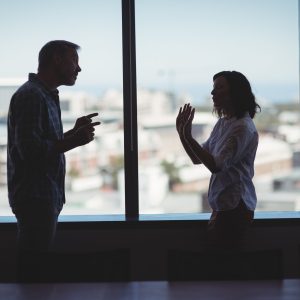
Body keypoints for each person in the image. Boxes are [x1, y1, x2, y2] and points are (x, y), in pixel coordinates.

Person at [7, 40, 100, 280]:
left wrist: (72, 133)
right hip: (35, 197)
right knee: (33, 272)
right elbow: (30, 152)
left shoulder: (44, 95)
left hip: (42, 196)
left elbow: (44, 143)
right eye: (74, 61)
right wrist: (74, 141)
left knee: (35, 267)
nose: (78, 69)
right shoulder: (31, 96)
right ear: (57, 60)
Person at [176, 70, 260, 249]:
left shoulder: (243, 127)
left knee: (224, 265)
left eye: (219, 88)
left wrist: (188, 137)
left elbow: (216, 165)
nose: (213, 93)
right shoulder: (223, 123)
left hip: (235, 207)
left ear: (235, 92)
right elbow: (197, 159)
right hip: (223, 207)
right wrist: (183, 134)